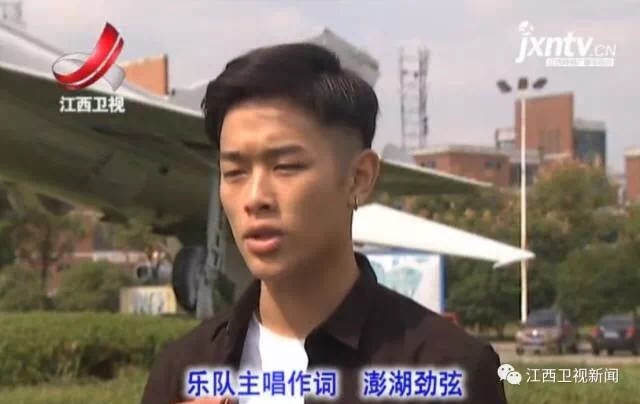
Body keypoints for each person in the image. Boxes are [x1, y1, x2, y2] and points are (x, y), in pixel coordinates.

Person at [140, 43, 508, 404]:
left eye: (286, 166)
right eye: (234, 172)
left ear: (359, 178)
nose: (255, 198)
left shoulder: (448, 367)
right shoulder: (184, 368)